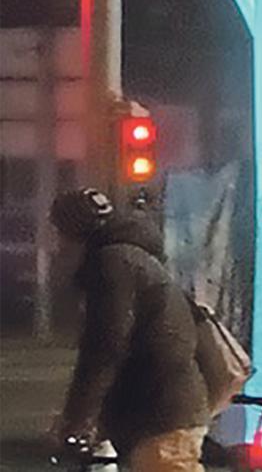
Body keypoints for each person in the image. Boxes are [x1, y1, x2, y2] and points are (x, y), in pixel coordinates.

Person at [48, 188, 210, 471]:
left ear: (74, 231)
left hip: (160, 414)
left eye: (60, 233)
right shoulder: (134, 258)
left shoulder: (113, 264)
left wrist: (78, 418)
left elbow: (106, 347)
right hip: (164, 410)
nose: (59, 245)